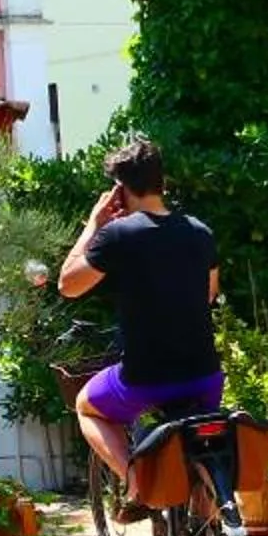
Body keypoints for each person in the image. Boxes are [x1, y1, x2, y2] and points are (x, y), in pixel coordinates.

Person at [56, 137, 221, 507]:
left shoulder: (118, 234)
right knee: (201, 450)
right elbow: (209, 293)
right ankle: (210, 532)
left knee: (86, 405)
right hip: (205, 376)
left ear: (120, 188)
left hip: (147, 380)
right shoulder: (200, 232)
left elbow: (68, 284)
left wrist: (93, 224)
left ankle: (136, 483)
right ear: (162, 181)